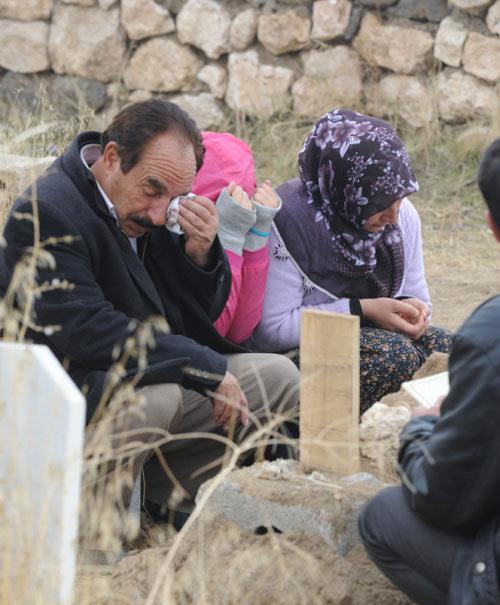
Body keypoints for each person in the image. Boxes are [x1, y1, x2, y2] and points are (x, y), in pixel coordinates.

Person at [0, 99, 299, 526]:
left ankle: (164, 492)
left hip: (141, 375)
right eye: (152, 189)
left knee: (280, 380)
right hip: (69, 394)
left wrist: (199, 255)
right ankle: (92, 528)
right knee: (160, 396)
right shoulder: (47, 211)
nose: (161, 212)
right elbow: (89, 330)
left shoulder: (145, 209)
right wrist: (201, 365)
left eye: (176, 197)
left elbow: (190, 319)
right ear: (112, 158)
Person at [358, 139, 500, 605]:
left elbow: (443, 500)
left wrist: (421, 429)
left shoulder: (489, 339)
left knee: (384, 516)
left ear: (490, 225)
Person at [252, 108, 451, 413]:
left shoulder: (401, 218)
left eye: (398, 200)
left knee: (461, 351)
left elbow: (415, 292)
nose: (393, 216)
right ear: (344, 188)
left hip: (374, 333)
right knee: (395, 357)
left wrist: (415, 310)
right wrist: (363, 309)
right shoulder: (290, 223)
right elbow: (270, 332)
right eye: (379, 203)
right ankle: (332, 438)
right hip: (294, 356)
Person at [192, 131, 281, 344]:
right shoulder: (174, 231)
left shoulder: (240, 220)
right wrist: (229, 235)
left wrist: (257, 231)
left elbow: (240, 332)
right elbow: (215, 335)